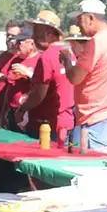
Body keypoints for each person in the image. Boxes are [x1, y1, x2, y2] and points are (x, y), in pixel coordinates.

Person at [60, 0, 107, 154]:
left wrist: (67, 60)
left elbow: (75, 77)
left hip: (95, 121)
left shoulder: (95, 43)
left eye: (79, 19)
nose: (78, 24)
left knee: (87, 170)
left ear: (91, 18)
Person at [15, 10, 75, 146]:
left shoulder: (47, 57)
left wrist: (22, 109)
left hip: (45, 125)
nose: (34, 36)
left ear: (48, 33)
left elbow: (39, 94)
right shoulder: (69, 54)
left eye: (37, 31)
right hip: (66, 122)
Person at [0, 27, 38, 131]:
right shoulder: (16, 59)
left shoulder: (39, 60)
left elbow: (42, 83)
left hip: (26, 113)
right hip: (10, 110)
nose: (16, 45)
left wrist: (28, 73)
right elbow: (10, 81)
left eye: (20, 42)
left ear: (31, 43)